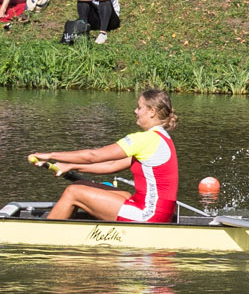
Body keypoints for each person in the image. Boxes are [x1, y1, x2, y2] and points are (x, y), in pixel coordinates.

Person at [29, 88, 181, 223]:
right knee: (82, 186)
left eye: (139, 107)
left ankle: (45, 234)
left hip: (150, 215)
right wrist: (72, 166)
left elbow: (92, 156)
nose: (135, 111)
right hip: (161, 212)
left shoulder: (145, 139)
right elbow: (112, 165)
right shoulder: (162, 138)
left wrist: (50, 155)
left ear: (152, 112)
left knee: (73, 192)